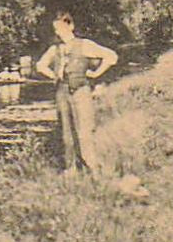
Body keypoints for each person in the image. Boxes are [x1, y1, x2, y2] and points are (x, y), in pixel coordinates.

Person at [35, 11, 118, 175]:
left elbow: (111, 56)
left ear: (71, 26)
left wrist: (96, 74)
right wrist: (54, 76)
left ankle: (93, 169)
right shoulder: (55, 49)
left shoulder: (85, 45)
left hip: (81, 91)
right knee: (66, 133)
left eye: (61, 28)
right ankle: (71, 169)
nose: (58, 32)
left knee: (85, 132)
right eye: (56, 29)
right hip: (62, 93)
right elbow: (40, 66)